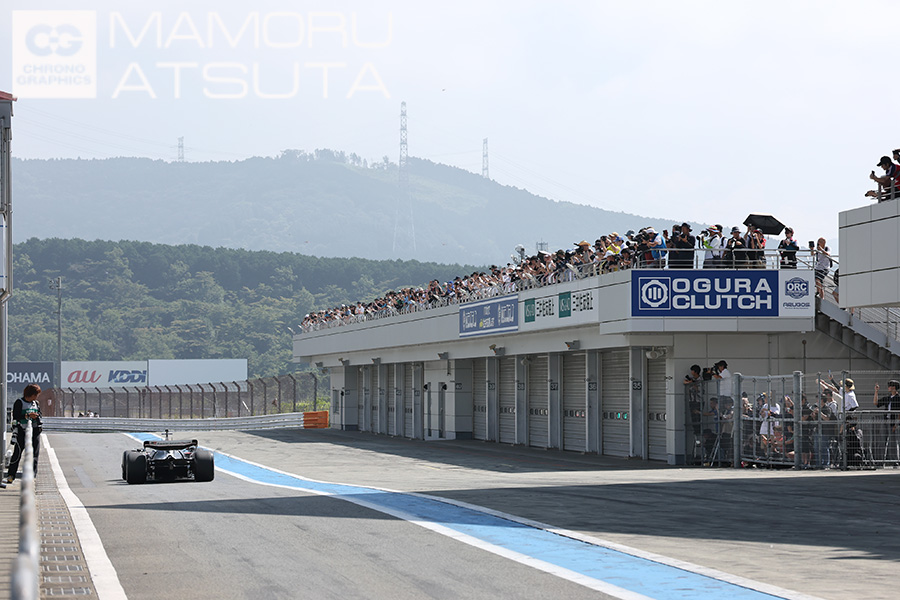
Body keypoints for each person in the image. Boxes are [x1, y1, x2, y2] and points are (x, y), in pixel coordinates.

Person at [6, 384, 43, 484]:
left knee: (34, 454)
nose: (36, 397)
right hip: (21, 431)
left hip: (35, 431)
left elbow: (40, 414)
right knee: (17, 454)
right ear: (31, 394)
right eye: (36, 394)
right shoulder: (19, 402)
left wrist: (36, 417)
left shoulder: (36, 403)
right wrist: (27, 415)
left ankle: (32, 475)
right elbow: (16, 416)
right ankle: (11, 475)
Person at [873, 380, 900, 463]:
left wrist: (896, 424)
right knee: (882, 441)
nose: (888, 388)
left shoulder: (898, 398)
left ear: (894, 387)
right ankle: (881, 460)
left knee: (893, 442)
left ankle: (895, 460)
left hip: (893, 422)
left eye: (890, 386)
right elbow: (876, 403)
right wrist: (876, 391)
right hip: (885, 421)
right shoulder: (887, 398)